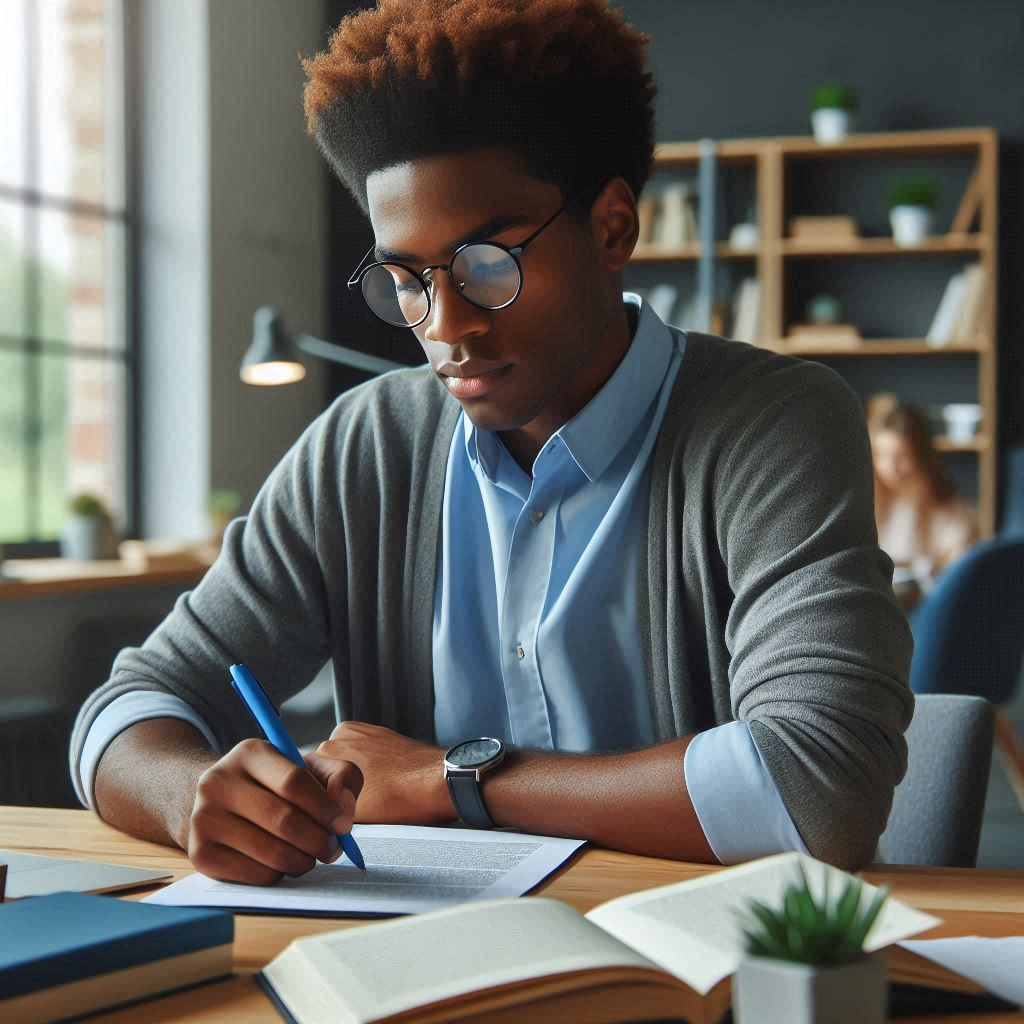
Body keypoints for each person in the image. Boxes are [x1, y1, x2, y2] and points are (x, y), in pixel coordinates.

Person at [70, 0, 913, 882]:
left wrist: (451, 780)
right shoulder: (365, 449)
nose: (446, 326)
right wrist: (192, 796)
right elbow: (126, 709)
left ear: (614, 227)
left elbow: (822, 789)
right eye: (406, 278)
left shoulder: (769, 426)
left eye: (487, 265)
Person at [868, 396, 979, 603]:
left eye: (902, 456)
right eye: (882, 455)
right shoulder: (868, 503)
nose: (891, 468)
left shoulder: (953, 511)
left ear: (922, 455)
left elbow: (960, 579)